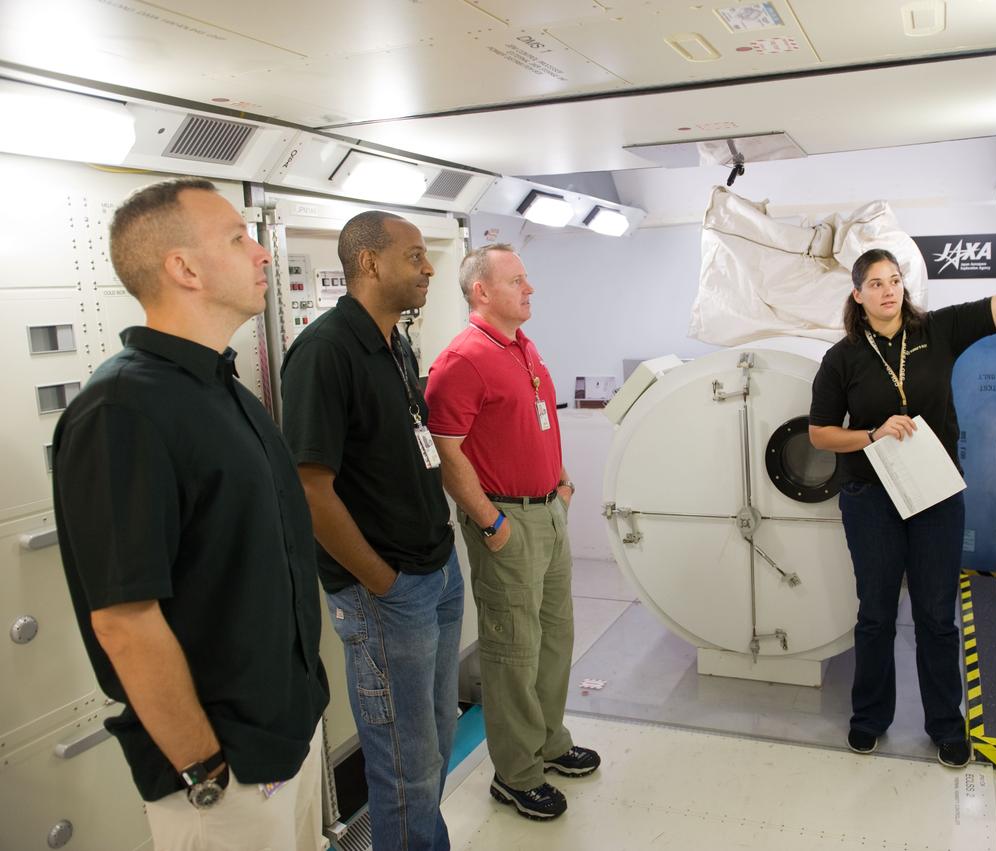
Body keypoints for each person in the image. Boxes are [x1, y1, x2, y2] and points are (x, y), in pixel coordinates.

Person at [51, 178, 330, 849]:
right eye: (238, 237)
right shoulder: (123, 409)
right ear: (183, 268)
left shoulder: (222, 388)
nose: (262, 252)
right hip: (220, 771)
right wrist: (203, 767)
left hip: (285, 734)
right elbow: (124, 618)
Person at [808, 206, 996, 768]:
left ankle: (947, 725)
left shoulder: (939, 330)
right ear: (857, 296)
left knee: (936, 615)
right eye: (875, 284)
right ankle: (869, 719)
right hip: (871, 499)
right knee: (875, 613)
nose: (887, 292)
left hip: (935, 497)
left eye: (894, 281)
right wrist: (871, 434)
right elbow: (820, 434)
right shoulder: (842, 358)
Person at [281, 211, 464, 850]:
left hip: (434, 571)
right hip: (388, 588)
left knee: (436, 739)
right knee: (405, 760)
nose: (429, 267)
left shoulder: (396, 342)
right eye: (415, 255)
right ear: (370, 263)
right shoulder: (326, 351)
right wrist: (380, 579)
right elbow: (308, 487)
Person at [425, 244, 600, 821]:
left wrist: (564, 481)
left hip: (549, 509)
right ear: (482, 291)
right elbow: (448, 453)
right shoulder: (463, 359)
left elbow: (535, 421)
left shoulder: (522, 348)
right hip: (507, 520)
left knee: (555, 637)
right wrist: (491, 523)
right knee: (512, 651)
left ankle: (548, 742)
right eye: (518, 281)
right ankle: (515, 773)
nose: (530, 289)